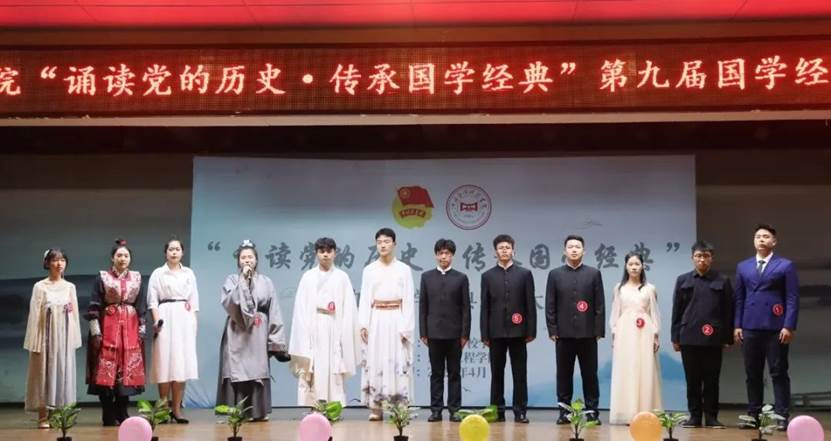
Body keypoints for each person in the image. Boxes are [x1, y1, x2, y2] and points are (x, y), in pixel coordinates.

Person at [734, 224, 799, 431]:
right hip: (749, 326)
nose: (761, 239)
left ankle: (781, 415)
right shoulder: (743, 266)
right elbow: (739, 298)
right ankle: (753, 415)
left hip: (775, 327)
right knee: (752, 373)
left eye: (766, 236)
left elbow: (792, 298)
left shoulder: (785, 265)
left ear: (774, 241)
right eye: (758, 236)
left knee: (778, 372)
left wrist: (788, 325)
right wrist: (737, 325)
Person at [217, 240, 290, 421]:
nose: (247, 260)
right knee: (237, 369)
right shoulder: (232, 280)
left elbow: (274, 310)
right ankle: (237, 411)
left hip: (258, 330)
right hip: (236, 330)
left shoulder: (266, 282)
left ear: (256, 260)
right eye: (243, 257)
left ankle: (257, 411)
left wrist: (275, 341)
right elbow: (229, 301)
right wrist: (243, 281)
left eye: (250, 257)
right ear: (238, 261)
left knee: (257, 368)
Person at [289, 237, 360, 406]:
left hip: (335, 326)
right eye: (322, 251)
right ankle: (313, 407)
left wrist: (344, 333)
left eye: (329, 251)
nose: (325, 255)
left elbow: (349, 308)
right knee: (314, 366)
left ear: (335, 253)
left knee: (334, 365)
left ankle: (334, 406)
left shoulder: (342, 277)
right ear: (316, 254)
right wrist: (304, 333)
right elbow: (300, 308)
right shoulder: (308, 277)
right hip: (314, 326)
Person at [671, 240, 734, 429]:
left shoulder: (722, 280)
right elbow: (677, 310)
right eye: (698, 256)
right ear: (692, 258)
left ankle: (712, 417)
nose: (702, 260)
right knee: (692, 380)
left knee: (712, 380)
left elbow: (728, 311)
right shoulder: (683, 280)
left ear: (711, 258)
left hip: (713, 338)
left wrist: (727, 337)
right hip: (688, 336)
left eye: (706, 256)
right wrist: (675, 337)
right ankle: (695, 417)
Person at [85, 239, 146, 426]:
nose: (123, 258)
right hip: (108, 326)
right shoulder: (102, 277)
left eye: (126, 255)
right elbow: (94, 305)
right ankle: (107, 411)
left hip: (130, 327)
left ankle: (122, 410)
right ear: (112, 258)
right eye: (119, 255)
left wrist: (142, 330)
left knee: (127, 368)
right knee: (105, 368)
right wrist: (96, 332)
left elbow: (141, 306)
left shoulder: (137, 278)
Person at [545, 235, 604, 425]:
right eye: (570, 247)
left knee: (590, 375)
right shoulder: (555, 274)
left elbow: (599, 305)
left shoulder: (593, 273)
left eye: (577, 247)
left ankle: (592, 412)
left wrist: (598, 330)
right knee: (564, 375)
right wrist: (552, 329)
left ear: (584, 251)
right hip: (563, 334)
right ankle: (564, 412)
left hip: (588, 334)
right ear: (565, 251)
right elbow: (550, 304)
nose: (574, 250)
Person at [358, 227, 416, 421]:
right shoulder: (369, 270)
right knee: (376, 361)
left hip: (397, 318)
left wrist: (406, 327)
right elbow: (364, 299)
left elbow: (408, 300)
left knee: (398, 361)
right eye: (379, 242)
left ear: (394, 244)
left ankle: (400, 407)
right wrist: (363, 324)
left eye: (386, 241)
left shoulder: (404, 270)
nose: (383, 245)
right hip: (376, 319)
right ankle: (376, 407)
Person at [480, 234, 536, 424]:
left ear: (513, 250)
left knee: (520, 374)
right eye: (501, 247)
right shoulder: (487, 276)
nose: (504, 250)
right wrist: (485, 333)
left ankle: (520, 411)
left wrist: (531, 331)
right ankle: (497, 411)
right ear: (495, 251)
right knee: (497, 374)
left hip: (519, 332)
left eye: (507, 247)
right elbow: (485, 307)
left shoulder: (524, 274)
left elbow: (530, 304)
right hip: (495, 333)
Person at [24, 248, 82, 429]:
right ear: (47, 263)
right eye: (55, 260)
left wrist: (73, 339)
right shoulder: (40, 287)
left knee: (62, 371)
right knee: (44, 372)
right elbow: (34, 315)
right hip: (45, 336)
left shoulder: (70, 287)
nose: (59, 263)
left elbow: (74, 315)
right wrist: (34, 340)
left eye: (62, 260)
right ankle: (43, 416)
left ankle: (59, 415)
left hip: (63, 337)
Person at [147, 237, 199, 424]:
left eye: (177, 249)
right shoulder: (158, 273)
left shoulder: (189, 273)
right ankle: (162, 407)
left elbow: (194, 302)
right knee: (164, 361)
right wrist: (157, 321)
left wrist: (194, 324)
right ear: (165, 253)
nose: (174, 252)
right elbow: (152, 301)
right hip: (165, 316)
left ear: (182, 252)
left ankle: (176, 409)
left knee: (180, 364)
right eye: (171, 249)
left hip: (184, 318)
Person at [419, 238, 471, 423]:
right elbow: (423, 306)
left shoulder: (461, 278)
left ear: (452, 256)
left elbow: (466, 308)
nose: (443, 256)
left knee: (454, 373)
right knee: (436, 374)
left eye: (447, 253)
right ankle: (436, 410)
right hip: (433, 333)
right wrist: (423, 332)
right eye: (440, 253)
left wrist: (465, 334)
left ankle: (455, 410)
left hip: (455, 335)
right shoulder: (426, 277)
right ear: (436, 255)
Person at [608, 252, 663, 425]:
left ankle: (645, 412)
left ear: (642, 266)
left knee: (645, 369)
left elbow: (654, 313)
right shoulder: (619, 288)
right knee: (627, 369)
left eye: (637, 264)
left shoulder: (650, 288)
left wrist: (655, 335)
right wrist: (614, 333)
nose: (634, 267)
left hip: (645, 332)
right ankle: (627, 412)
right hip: (625, 332)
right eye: (630, 264)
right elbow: (615, 313)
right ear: (625, 266)